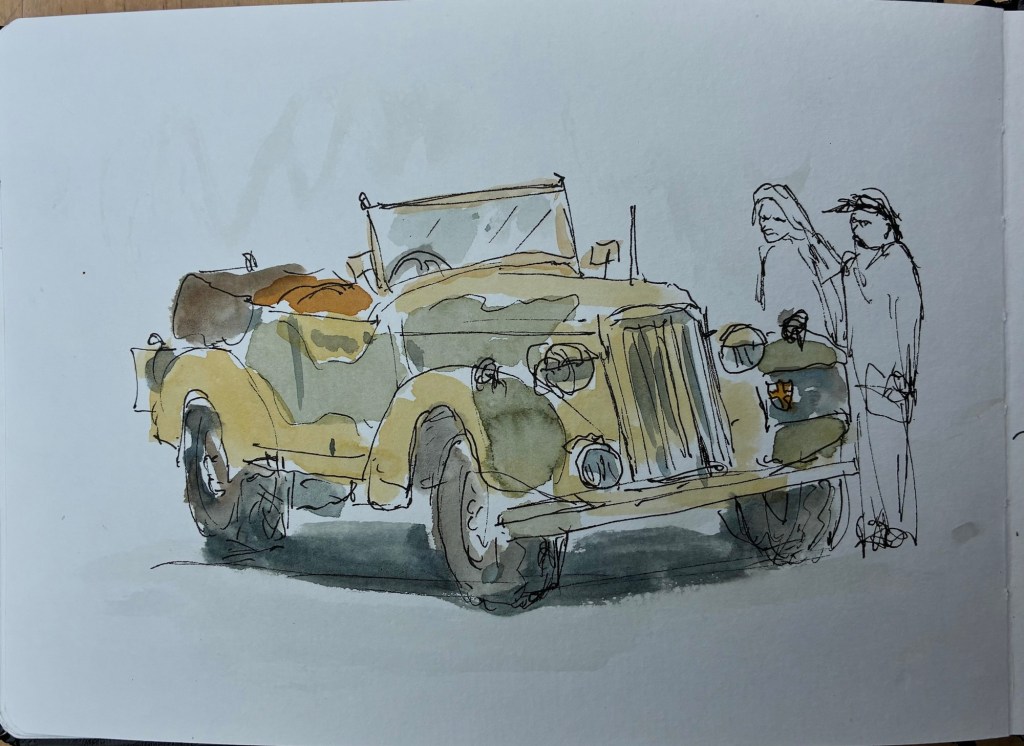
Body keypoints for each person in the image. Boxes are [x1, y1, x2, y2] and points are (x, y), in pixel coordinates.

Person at [825, 188, 923, 552]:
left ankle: (896, 526)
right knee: (864, 448)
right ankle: (873, 522)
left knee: (890, 450)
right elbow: (843, 319)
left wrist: (904, 374)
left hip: (888, 375)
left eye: (864, 223)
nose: (856, 229)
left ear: (887, 224)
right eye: (854, 223)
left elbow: (908, 321)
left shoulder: (897, 261)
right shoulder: (853, 266)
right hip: (858, 373)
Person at [751, 184, 845, 346]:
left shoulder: (802, 249)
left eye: (777, 219)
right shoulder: (770, 252)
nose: (767, 225)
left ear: (792, 219)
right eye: (764, 218)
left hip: (806, 340)